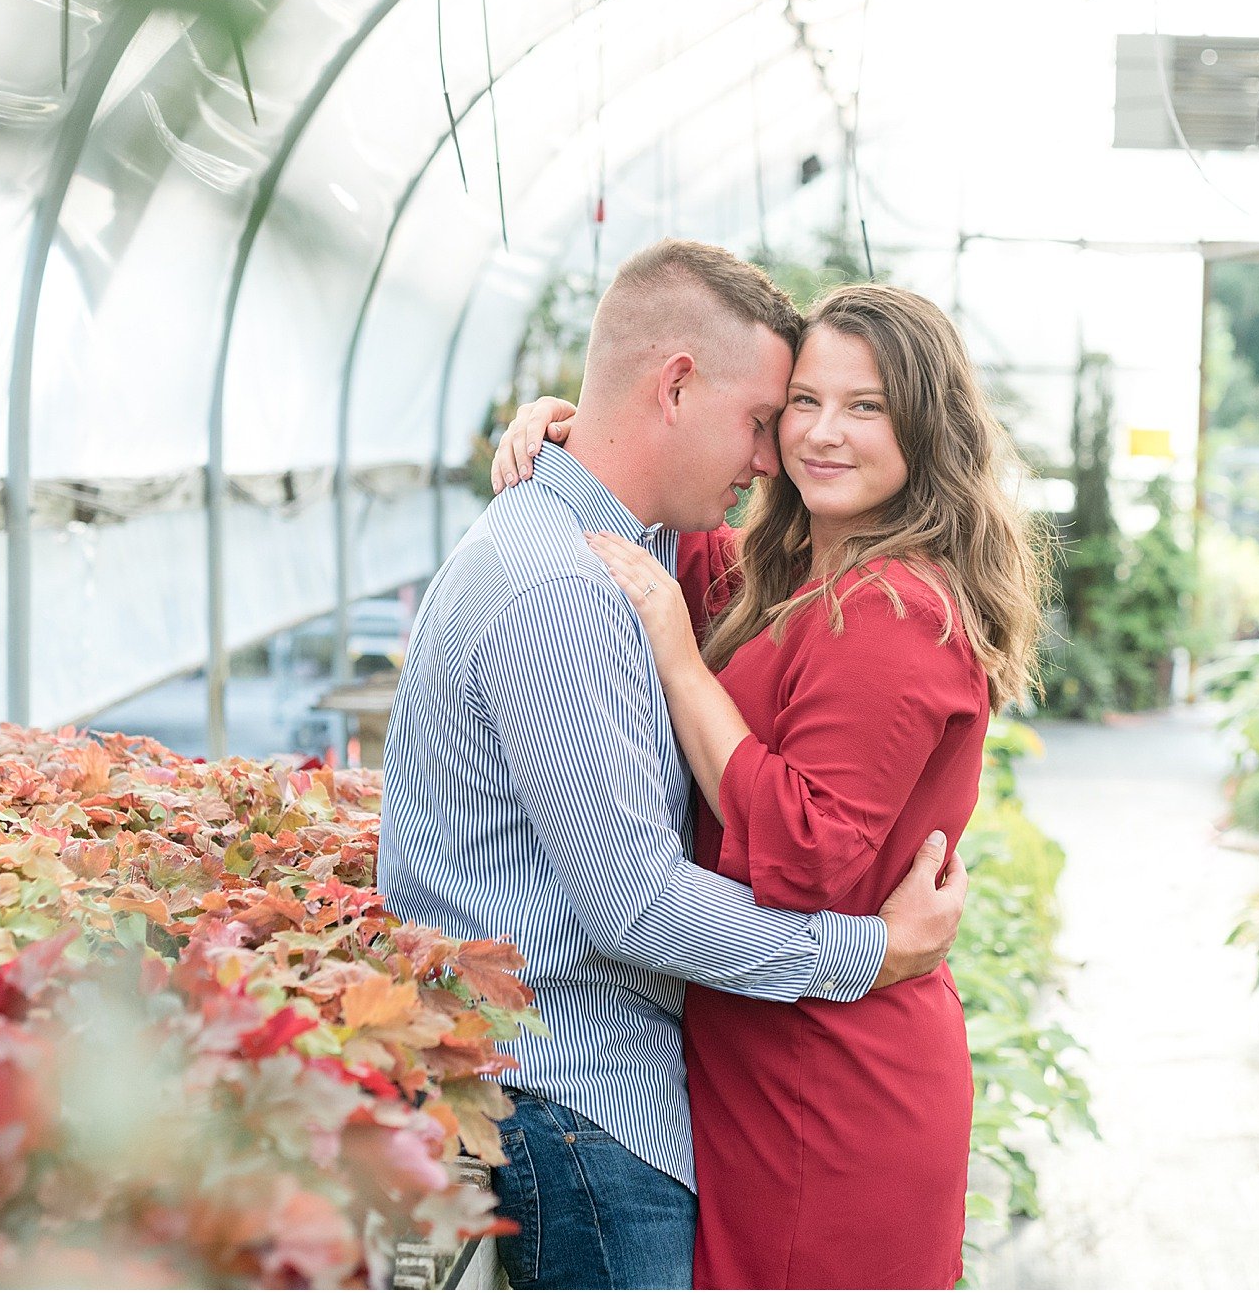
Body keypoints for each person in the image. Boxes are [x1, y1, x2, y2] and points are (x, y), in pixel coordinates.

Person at [378, 241, 969, 1292]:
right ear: (678, 387)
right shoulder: (596, 576)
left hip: (767, 1076)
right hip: (594, 1089)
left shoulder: (855, 601)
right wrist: (866, 952)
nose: (779, 454)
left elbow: (808, 845)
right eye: (778, 413)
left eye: (863, 408)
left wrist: (577, 446)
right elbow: (636, 908)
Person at [495, 282, 1047, 1288]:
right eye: (802, 402)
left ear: (926, 428)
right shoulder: (799, 568)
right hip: (766, 1052)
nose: (821, 435)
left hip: (828, 1083)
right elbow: (673, 525)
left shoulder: (892, 609)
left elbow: (809, 854)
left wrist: (678, 660)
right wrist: (576, 431)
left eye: (865, 407)